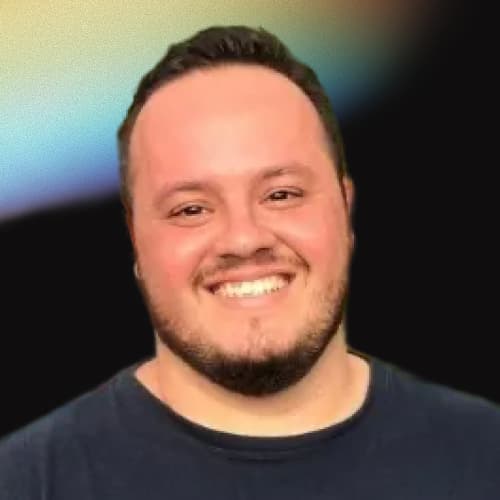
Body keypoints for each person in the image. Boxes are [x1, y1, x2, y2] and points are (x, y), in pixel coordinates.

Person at [1, 25, 499, 499]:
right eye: (191, 209)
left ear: (345, 209)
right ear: (135, 239)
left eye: (281, 194)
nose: (243, 239)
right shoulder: (25, 483)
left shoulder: (485, 457)